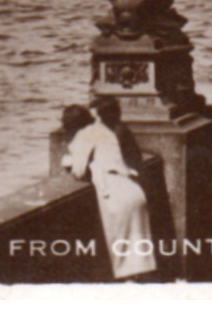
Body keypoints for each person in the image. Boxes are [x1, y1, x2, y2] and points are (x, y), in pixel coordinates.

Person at [63, 97, 157, 281]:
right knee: (140, 258)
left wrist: (68, 161)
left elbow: (78, 171)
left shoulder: (84, 136)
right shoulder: (107, 132)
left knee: (122, 260)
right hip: (133, 190)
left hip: (115, 195)